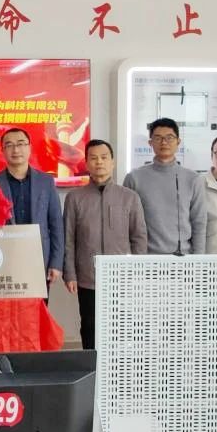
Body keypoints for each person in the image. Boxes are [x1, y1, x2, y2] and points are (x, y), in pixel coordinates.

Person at [63, 140, 147, 349]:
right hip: (88, 277)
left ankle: (120, 366)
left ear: (113, 162)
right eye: (93, 158)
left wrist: (138, 272)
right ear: (86, 163)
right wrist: (70, 274)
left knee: (122, 327)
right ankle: (92, 367)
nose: (99, 162)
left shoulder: (129, 197)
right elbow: (69, 238)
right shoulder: (75, 197)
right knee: (90, 326)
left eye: (104, 157)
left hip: (122, 278)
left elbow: (139, 238)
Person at [0, 128, 64, 294]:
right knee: (6, 309)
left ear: (29, 148)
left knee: (37, 308)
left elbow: (56, 224)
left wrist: (56, 263)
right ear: (2, 151)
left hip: (39, 260)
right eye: (9, 145)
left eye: (21, 144)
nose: (16, 150)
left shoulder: (46, 182)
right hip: (3, 261)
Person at [123, 117, 207, 255]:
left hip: (184, 258)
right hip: (146, 258)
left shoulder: (193, 179)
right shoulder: (134, 178)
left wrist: (198, 259)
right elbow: (126, 223)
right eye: (158, 138)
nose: (164, 142)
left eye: (169, 137)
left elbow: (199, 222)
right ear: (150, 143)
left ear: (178, 142)